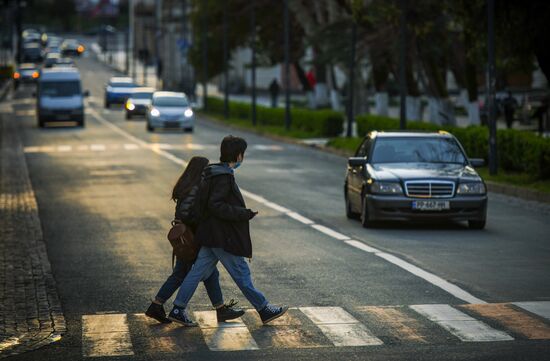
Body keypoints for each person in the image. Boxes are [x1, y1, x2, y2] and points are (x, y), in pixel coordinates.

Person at [168, 136, 288, 326]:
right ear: (239, 155)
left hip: (209, 235)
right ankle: (264, 309)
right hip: (222, 236)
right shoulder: (223, 176)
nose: (243, 157)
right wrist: (243, 213)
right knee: (241, 273)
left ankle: (177, 309)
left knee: (196, 272)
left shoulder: (211, 172)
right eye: (243, 154)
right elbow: (216, 206)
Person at [145, 156, 244, 325]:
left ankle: (220, 310)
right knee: (184, 273)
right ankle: (167, 307)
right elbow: (186, 214)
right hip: (192, 238)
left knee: (208, 273)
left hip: (189, 237)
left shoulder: (189, 185)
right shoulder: (195, 187)